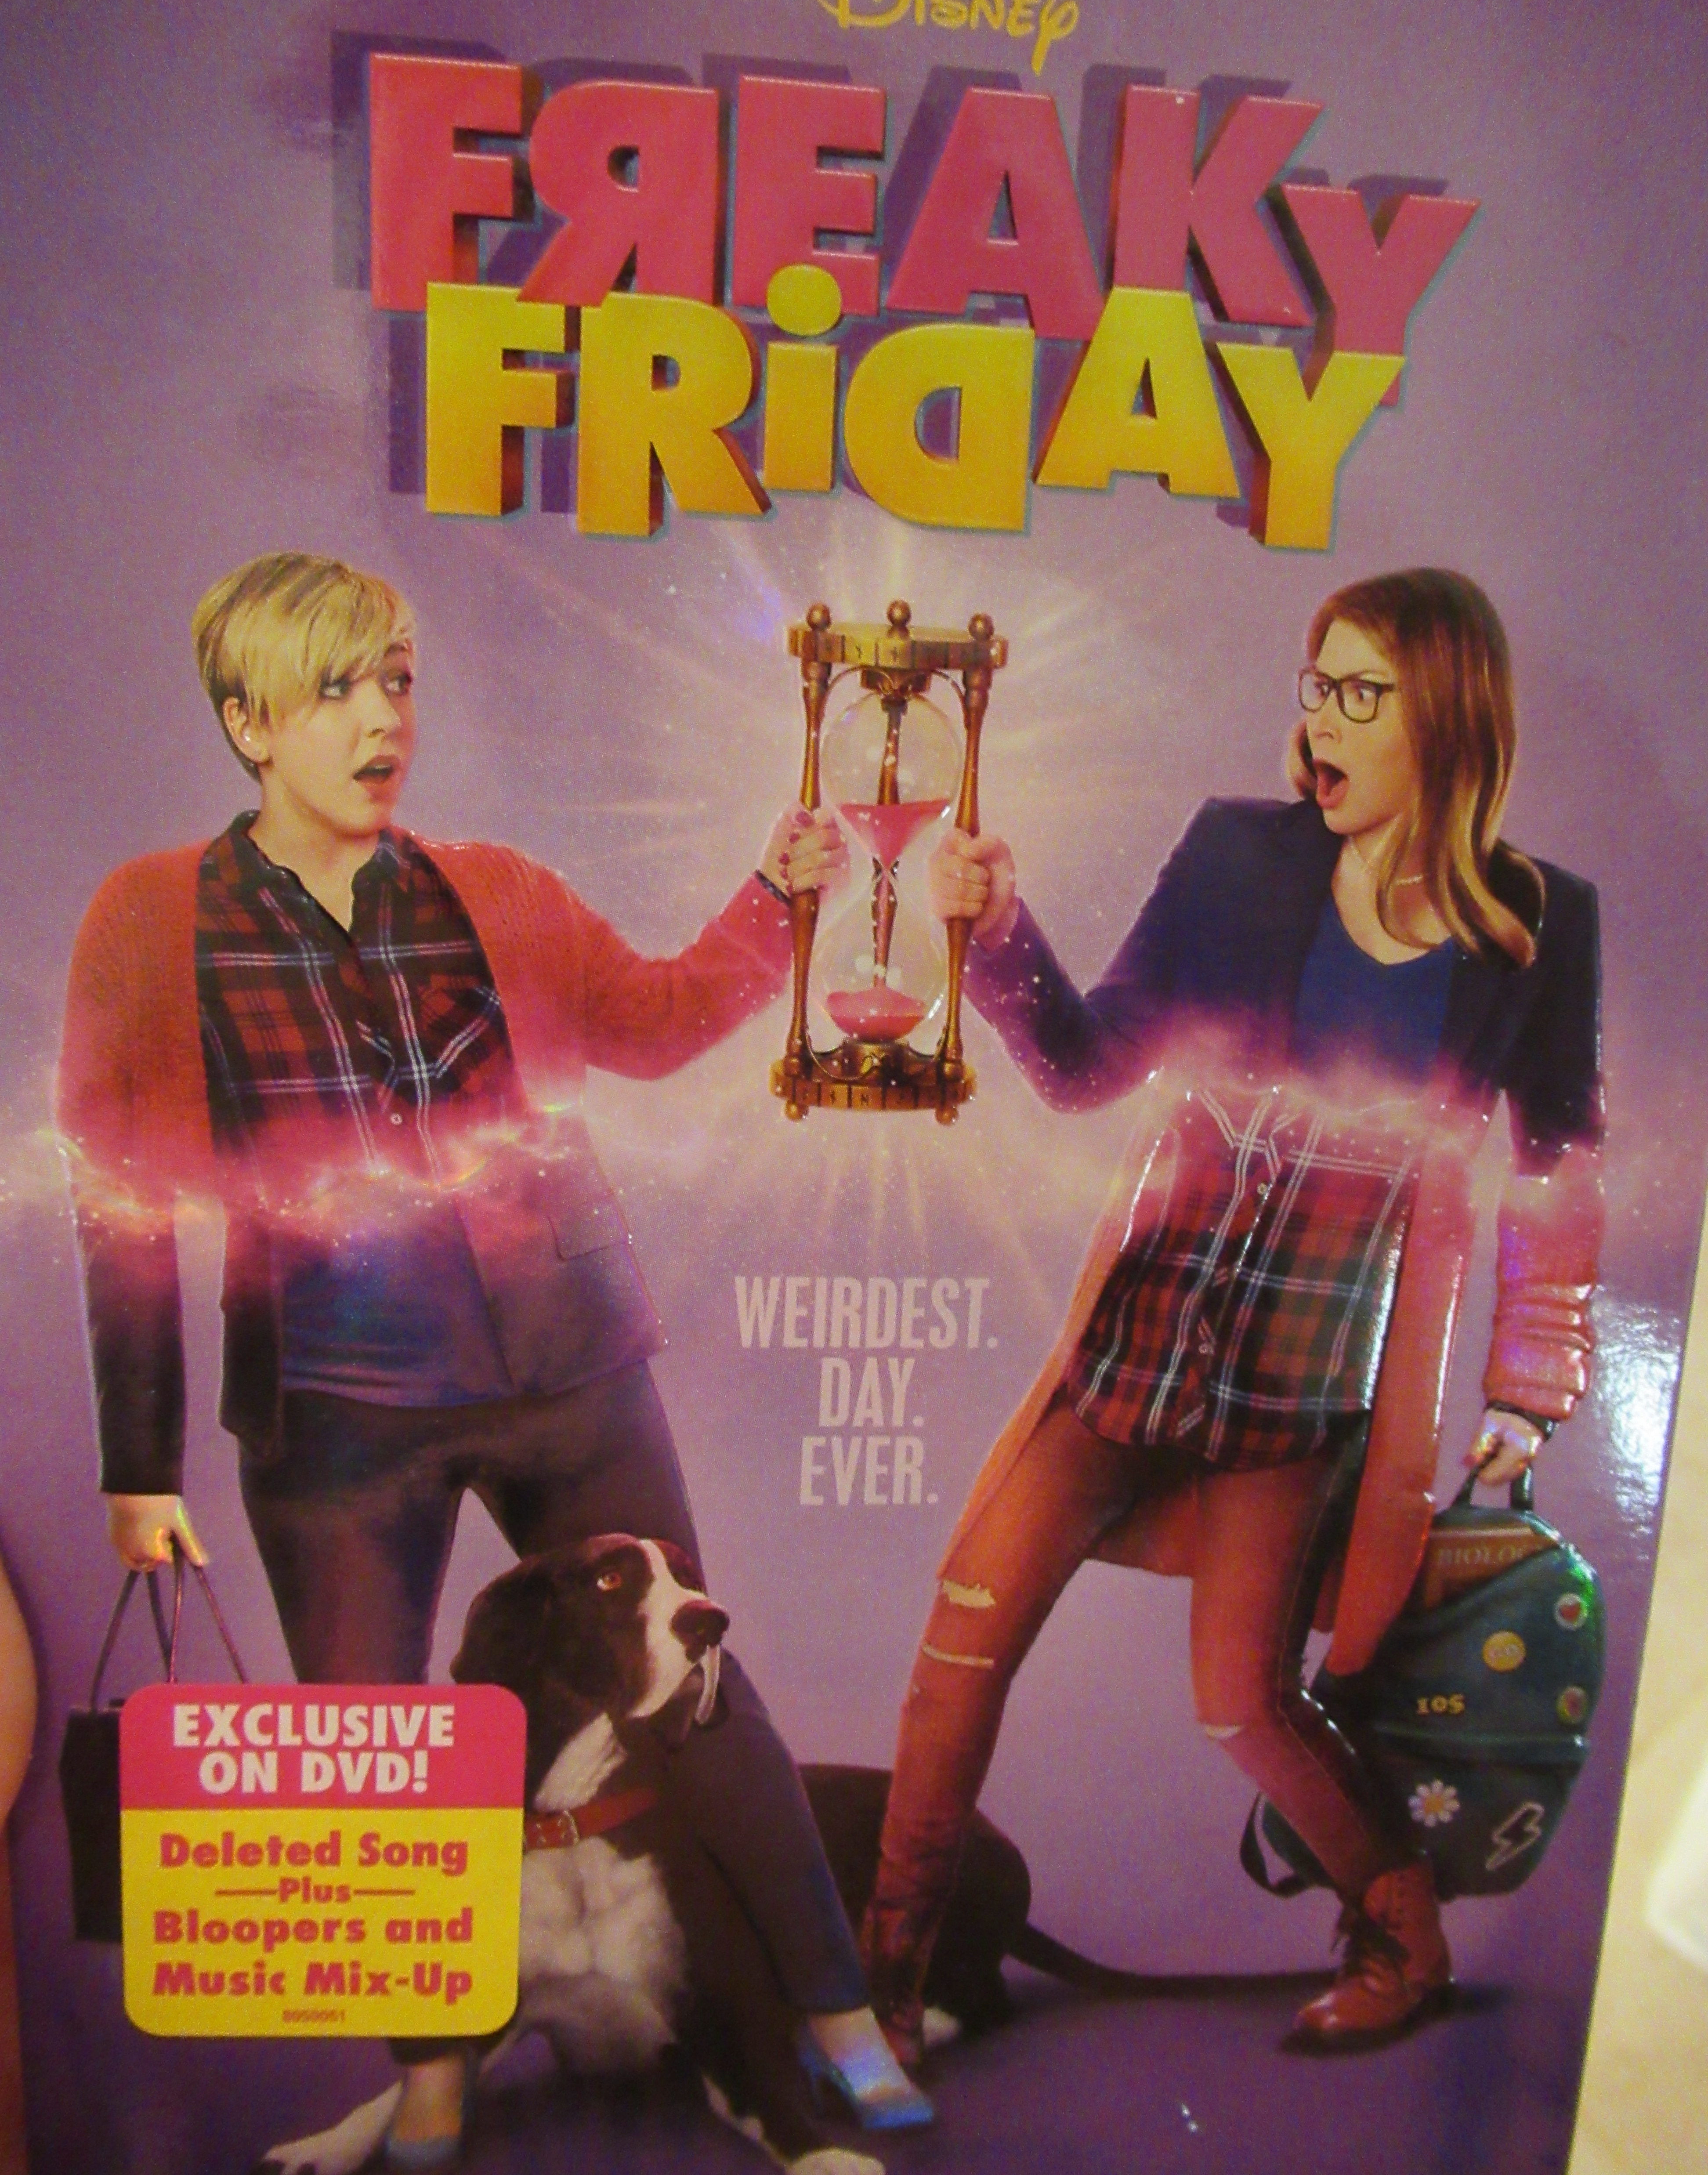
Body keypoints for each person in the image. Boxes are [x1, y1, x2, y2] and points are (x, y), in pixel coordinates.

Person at [56, 552, 930, 2163]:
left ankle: (839, 2016)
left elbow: (655, 1023)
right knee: (379, 1754)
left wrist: (774, 897)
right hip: (337, 1417)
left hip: (571, 1373)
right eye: (336, 689)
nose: (381, 719)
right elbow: (121, 1202)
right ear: (248, 721)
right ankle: (435, 2081)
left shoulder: (498, 887)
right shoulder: (149, 917)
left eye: (396, 682)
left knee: (702, 1694)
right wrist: (138, 1463)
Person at [861, 568, 1603, 2056]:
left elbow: (1556, 1176)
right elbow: (1084, 1066)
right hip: (1143, 1330)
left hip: (1304, 1375)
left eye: (1360, 694)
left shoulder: (1539, 921)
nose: (1318, 721)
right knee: (960, 1641)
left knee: (1244, 1703)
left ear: (1445, 717)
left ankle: (1406, 1942)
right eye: (1315, 686)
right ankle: (883, 1982)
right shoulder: (1238, 855)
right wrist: (997, 934)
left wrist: (1529, 1397)